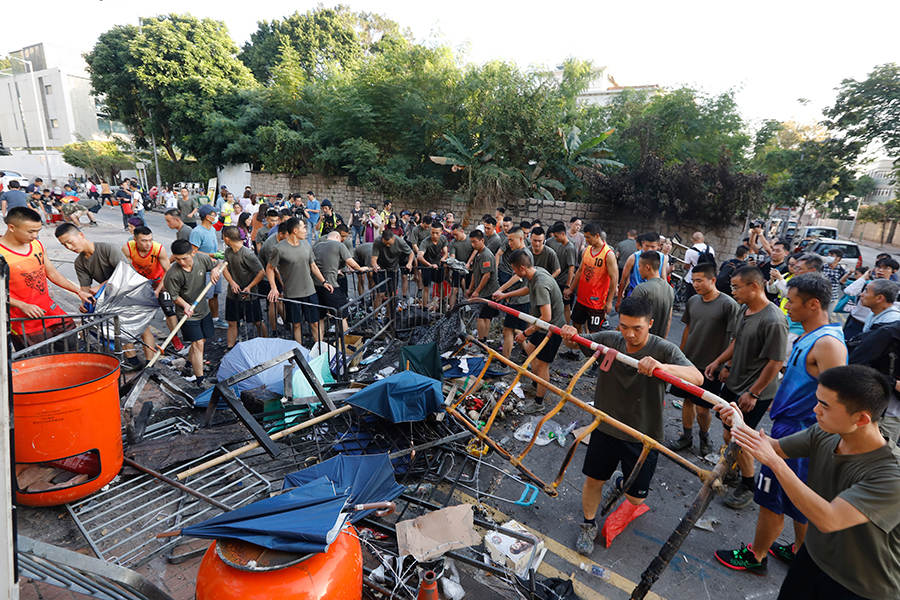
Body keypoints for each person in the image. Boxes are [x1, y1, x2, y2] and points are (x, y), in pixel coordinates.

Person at [716, 365, 900, 600]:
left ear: (861, 418)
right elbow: (774, 448)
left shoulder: (891, 475)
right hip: (814, 557)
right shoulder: (826, 433)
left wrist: (775, 463)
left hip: (861, 585)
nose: (815, 410)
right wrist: (739, 424)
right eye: (817, 401)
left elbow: (829, 519)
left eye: (825, 406)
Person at [715, 274, 847, 574]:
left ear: (813, 305)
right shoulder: (813, 336)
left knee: (771, 499)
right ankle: (801, 550)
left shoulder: (828, 344)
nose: (786, 306)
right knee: (797, 496)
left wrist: (816, 435)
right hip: (793, 425)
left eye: (793, 302)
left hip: (801, 431)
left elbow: (839, 401)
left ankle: (757, 556)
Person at [560, 296, 702, 554]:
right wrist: (570, 333)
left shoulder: (662, 349)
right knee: (593, 480)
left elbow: (697, 377)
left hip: (642, 435)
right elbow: (579, 339)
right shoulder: (612, 340)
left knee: (636, 497)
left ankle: (621, 483)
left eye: (637, 328)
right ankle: (588, 524)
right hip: (606, 426)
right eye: (624, 326)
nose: (630, 334)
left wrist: (662, 367)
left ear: (650, 323)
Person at [705, 266, 789, 509]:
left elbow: (776, 362)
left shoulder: (773, 320)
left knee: (742, 439)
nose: (733, 291)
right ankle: (731, 469)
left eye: (736, 287)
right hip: (734, 384)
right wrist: (721, 362)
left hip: (753, 391)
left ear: (754, 286)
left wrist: (754, 392)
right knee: (729, 432)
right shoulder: (744, 309)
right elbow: (737, 342)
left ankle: (748, 484)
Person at [667, 263, 741, 454]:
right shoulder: (692, 301)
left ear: (713, 280)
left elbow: (735, 339)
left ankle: (704, 438)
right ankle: (686, 437)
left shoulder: (728, 305)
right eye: (693, 280)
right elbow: (688, 328)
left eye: (700, 280)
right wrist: (680, 355)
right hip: (688, 362)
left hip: (711, 366)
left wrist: (727, 365)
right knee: (687, 401)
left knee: (703, 408)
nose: (696, 284)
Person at [0, 207, 89, 349]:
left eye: (38, 231)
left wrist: (78, 291)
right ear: (11, 227)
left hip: (49, 310)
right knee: (39, 358)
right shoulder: (2, 254)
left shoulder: (36, 245)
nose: (35, 236)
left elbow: (52, 273)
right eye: (31, 231)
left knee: (71, 341)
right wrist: (22, 305)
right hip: (23, 319)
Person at [508, 249, 566, 414]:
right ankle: (535, 384)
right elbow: (528, 290)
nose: (514, 272)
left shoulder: (540, 282)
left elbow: (546, 317)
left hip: (552, 328)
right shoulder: (536, 272)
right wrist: (507, 295)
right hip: (541, 325)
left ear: (522, 268)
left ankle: (539, 403)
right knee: (531, 351)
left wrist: (525, 333)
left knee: (541, 366)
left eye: (514, 269)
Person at [121, 226, 186, 355]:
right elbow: (127, 271)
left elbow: (168, 271)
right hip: (141, 283)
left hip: (159, 281)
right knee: (139, 312)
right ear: (135, 239)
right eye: (144, 241)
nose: (148, 244)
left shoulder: (158, 249)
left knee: (169, 310)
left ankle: (175, 339)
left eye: (150, 240)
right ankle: (143, 339)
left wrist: (158, 290)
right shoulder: (127, 249)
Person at [266, 218, 331, 344]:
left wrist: (324, 282)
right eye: (303, 228)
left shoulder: (306, 244)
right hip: (292, 293)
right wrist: (274, 287)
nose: (306, 230)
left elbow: (313, 266)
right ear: (295, 231)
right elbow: (269, 268)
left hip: (310, 291)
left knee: (315, 323)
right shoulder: (279, 249)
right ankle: (300, 351)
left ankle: (320, 351)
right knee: (296, 325)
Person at [165, 239, 221, 383]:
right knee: (198, 344)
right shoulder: (173, 274)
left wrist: (215, 269)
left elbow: (219, 263)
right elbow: (175, 296)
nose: (181, 262)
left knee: (201, 340)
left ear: (193, 253)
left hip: (203, 309)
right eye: (177, 259)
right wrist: (185, 305)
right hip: (187, 313)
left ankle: (189, 364)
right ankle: (199, 379)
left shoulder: (201, 259)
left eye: (185, 258)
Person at [565, 222, 617, 335]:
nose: (586, 240)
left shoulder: (608, 254)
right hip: (582, 298)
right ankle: (579, 349)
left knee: (594, 331)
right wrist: (571, 288)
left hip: (597, 302)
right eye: (585, 237)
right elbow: (579, 271)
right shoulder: (587, 250)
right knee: (576, 324)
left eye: (588, 237)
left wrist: (609, 302)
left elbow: (614, 279)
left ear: (597, 236)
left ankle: (589, 351)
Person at [221, 226, 267, 348]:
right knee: (232, 322)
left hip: (249, 295)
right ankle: (230, 348)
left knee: (257, 321)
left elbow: (261, 272)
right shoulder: (228, 251)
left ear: (227, 238)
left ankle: (266, 343)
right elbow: (224, 267)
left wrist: (249, 287)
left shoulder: (247, 254)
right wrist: (232, 282)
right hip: (233, 294)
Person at [313, 230, 363, 336]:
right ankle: (345, 345)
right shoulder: (339, 245)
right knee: (341, 315)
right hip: (331, 285)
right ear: (337, 237)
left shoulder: (316, 246)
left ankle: (319, 346)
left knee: (320, 317)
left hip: (316, 285)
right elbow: (350, 262)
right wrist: (360, 269)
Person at [492, 227, 533, 358]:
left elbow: (517, 277)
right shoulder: (519, 253)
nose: (509, 243)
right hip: (517, 298)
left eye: (511, 240)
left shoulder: (524, 254)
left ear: (521, 239)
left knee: (509, 331)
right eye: (508, 240)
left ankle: (505, 361)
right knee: (517, 332)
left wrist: (501, 290)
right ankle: (530, 357)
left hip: (521, 300)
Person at [842, 257, 900, 339]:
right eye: (879, 267)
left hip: (874, 326)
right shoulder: (867, 283)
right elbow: (849, 291)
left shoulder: (894, 289)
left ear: (894, 271)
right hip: (855, 322)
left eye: (886, 268)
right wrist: (863, 277)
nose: (880, 270)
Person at [190, 205, 227, 329]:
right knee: (204, 296)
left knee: (215, 294)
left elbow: (212, 246)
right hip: (204, 270)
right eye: (213, 214)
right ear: (207, 216)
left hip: (215, 266)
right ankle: (201, 321)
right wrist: (212, 254)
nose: (215, 216)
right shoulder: (196, 232)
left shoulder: (211, 229)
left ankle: (215, 319)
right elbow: (193, 252)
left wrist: (218, 253)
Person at [465, 230, 500, 342]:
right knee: (485, 316)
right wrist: (470, 289)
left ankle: (481, 341)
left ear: (482, 240)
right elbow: (475, 274)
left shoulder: (486, 255)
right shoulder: (478, 254)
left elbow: (486, 275)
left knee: (481, 316)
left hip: (488, 291)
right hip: (483, 291)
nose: (473, 245)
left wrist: (477, 291)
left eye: (475, 242)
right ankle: (483, 340)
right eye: (471, 242)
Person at [630, 251, 674, 338]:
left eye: (639, 266)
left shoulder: (641, 289)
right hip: (656, 343)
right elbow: (669, 319)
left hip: (639, 340)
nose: (638, 269)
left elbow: (629, 317)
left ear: (647, 267)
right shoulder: (669, 289)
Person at [617, 232, 668, 305]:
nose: (649, 249)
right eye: (647, 246)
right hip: (635, 296)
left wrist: (665, 297)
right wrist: (619, 300)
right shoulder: (633, 258)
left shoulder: (662, 258)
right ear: (642, 243)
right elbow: (623, 280)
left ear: (658, 246)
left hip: (653, 297)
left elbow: (663, 277)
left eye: (653, 247)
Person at [371, 229, 414, 307]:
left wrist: (409, 263)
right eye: (386, 243)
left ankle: (389, 315)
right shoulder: (377, 241)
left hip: (393, 269)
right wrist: (375, 265)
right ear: (382, 239)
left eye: (389, 243)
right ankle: (375, 317)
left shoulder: (399, 241)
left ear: (393, 238)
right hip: (381, 269)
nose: (388, 245)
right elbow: (374, 258)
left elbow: (411, 253)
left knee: (392, 294)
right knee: (380, 294)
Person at [546, 222, 577, 323]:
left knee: (566, 307)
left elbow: (571, 267)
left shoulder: (570, 247)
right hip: (557, 281)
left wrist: (568, 286)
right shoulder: (560, 245)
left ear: (563, 234)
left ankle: (566, 326)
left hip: (564, 283)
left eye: (556, 236)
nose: (555, 238)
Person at [417, 220, 448, 307]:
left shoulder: (443, 239)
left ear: (441, 232)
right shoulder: (425, 242)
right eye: (432, 232)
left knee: (440, 284)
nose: (434, 235)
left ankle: (442, 304)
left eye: (437, 233)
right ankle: (424, 307)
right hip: (427, 265)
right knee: (426, 287)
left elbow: (445, 252)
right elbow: (419, 256)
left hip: (438, 265)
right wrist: (430, 265)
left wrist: (443, 258)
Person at [448, 223, 474, 308]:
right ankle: (451, 310)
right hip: (457, 268)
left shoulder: (470, 240)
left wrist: (469, 262)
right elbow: (452, 255)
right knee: (454, 290)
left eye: (456, 234)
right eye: (453, 235)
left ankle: (467, 309)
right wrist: (451, 262)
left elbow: (476, 250)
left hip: (469, 269)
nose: (455, 237)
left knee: (467, 290)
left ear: (462, 231)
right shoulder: (453, 242)